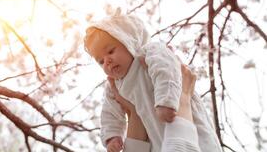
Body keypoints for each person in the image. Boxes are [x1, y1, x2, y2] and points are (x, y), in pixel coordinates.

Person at [84, 10, 222, 152]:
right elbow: (109, 112)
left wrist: (166, 101)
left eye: (111, 51)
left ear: (129, 41)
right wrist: (112, 136)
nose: (107, 61)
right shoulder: (114, 85)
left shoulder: (150, 52)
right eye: (101, 61)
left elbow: (167, 71)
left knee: (202, 144)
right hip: (155, 135)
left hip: (180, 115)